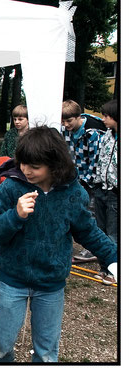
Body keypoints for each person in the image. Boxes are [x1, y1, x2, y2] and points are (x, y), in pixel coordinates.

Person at [0, 126, 118, 363]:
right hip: (13, 280)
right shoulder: (12, 187)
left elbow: (88, 231)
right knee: (0, 348)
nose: (25, 170)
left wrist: (114, 258)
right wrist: (15, 215)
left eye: (34, 167)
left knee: (46, 354)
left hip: (51, 284)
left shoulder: (73, 194)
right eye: (23, 163)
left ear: (55, 165)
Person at [61, 99, 106, 261]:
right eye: (63, 121)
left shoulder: (93, 133)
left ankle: (94, 249)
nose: (66, 124)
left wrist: (83, 181)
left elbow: (96, 162)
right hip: (76, 177)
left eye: (69, 120)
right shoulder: (65, 130)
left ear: (78, 116)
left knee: (91, 212)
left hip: (92, 180)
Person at [92, 100, 118, 285]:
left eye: (107, 116)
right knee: (100, 231)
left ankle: (114, 270)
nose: (103, 119)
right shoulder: (107, 135)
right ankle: (104, 268)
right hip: (101, 188)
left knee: (113, 232)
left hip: (116, 192)